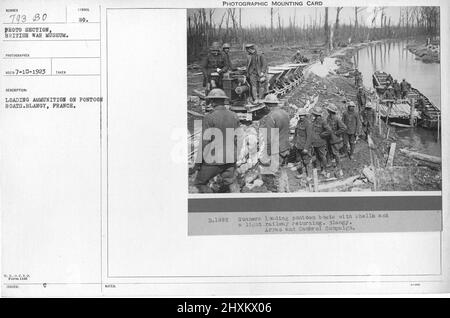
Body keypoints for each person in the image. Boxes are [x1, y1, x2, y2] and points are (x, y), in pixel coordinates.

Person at [194, 89, 240, 193]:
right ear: (224, 101)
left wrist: (198, 163)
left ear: (212, 102)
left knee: (199, 183)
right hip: (230, 159)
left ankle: (211, 205)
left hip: (213, 160)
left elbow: (204, 143)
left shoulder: (209, 117)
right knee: (230, 183)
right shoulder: (234, 116)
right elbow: (237, 138)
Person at [258, 94, 290, 192]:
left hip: (277, 150)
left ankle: (281, 197)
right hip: (286, 147)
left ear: (268, 105)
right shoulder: (285, 113)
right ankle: (287, 191)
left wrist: (268, 153)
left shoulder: (270, 117)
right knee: (283, 171)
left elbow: (270, 138)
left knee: (275, 174)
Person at [325, 103, 347, 178]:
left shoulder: (337, 118)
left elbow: (344, 128)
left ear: (330, 111)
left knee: (336, 154)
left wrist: (336, 133)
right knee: (330, 153)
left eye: (328, 110)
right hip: (329, 139)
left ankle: (339, 167)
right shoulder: (328, 118)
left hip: (335, 140)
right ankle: (331, 166)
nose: (327, 110)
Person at [310, 106, 331, 176]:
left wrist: (322, 135)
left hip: (321, 142)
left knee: (322, 156)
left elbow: (329, 131)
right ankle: (319, 167)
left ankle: (324, 169)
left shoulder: (323, 121)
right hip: (315, 142)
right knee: (317, 155)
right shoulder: (314, 120)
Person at [293, 108, 313, 179]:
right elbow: (296, 133)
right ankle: (303, 174)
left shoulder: (308, 123)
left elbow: (309, 137)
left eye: (302, 115)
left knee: (307, 161)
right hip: (299, 145)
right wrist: (294, 143)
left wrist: (306, 148)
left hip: (304, 146)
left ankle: (310, 175)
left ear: (305, 115)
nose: (301, 117)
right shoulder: (299, 122)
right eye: (300, 115)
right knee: (301, 161)